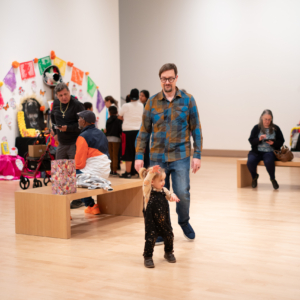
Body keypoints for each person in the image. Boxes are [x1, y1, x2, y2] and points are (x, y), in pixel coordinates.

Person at [135, 63, 202, 243]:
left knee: (182, 193)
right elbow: (143, 131)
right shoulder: (152, 102)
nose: (167, 82)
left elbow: (196, 129)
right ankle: (161, 229)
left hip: (180, 156)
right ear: (160, 80)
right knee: (157, 196)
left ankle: (184, 221)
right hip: (157, 156)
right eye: (164, 79)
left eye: (170, 78)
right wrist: (139, 155)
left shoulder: (188, 100)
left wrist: (197, 155)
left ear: (176, 78)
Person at [51, 82, 85, 209]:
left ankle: (80, 199)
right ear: (57, 96)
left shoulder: (77, 105)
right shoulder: (55, 103)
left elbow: (83, 124)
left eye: (65, 94)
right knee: (60, 169)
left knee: (76, 170)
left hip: (75, 141)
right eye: (60, 95)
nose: (64, 97)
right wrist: (54, 130)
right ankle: (62, 195)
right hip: (62, 142)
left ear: (69, 92)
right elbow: (52, 117)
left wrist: (68, 128)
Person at [139, 165, 180, 268]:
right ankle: (148, 257)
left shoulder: (163, 190)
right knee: (150, 237)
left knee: (169, 235)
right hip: (151, 220)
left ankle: (168, 252)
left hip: (163, 218)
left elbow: (169, 197)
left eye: (164, 179)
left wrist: (173, 196)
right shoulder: (147, 190)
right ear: (152, 182)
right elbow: (146, 181)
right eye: (161, 180)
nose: (163, 182)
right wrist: (151, 173)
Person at [74, 110, 111, 215]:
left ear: (84, 121)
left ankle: (91, 205)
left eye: (80, 118)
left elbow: (79, 163)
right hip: (105, 172)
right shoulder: (101, 133)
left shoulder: (83, 136)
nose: (78, 120)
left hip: (94, 174)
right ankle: (91, 205)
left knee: (69, 177)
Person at [247, 109, 284, 190]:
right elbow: (251, 140)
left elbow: (281, 141)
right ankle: (254, 177)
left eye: (269, 119)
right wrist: (259, 139)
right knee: (250, 162)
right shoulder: (256, 128)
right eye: (265, 119)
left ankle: (272, 179)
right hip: (256, 152)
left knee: (269, 161)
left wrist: (273, 143)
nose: (267, 121)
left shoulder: (276, 128)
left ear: (271, 119)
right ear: (261, 118)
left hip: (269, 151)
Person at [119, 88, 144, 178]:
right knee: (137, 151)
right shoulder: (141, 105)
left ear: (130, 95)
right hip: (138, 130)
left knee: (128, 151)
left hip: (127, 131)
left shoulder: (126, 105)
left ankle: (128, 172)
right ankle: (138, 172)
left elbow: (120, 116)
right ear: (138, 96)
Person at [106, 106, 122, 176]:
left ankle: (110, 170)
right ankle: (114, 171)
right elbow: (120, 129)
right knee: (115, 155)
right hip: (116, 139)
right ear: (117, 112)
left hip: (108, 139)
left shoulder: (108, 120)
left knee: (110, 155)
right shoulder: (118, 120)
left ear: (109, 112)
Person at [139, 90, 151, 168]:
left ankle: (147, 165)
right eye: (140, 95)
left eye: (142, 96)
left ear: (146, 97)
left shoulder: (147, 106)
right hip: (142, 128)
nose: (140, 97)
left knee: (145, 148)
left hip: (147, 130)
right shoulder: (141, 106)